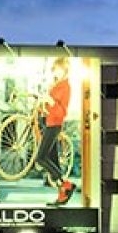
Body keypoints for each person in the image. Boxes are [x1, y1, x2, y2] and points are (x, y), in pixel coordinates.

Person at [38, 57, 76, 206]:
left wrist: (51, 101)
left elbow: (62, 112)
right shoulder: (56, 85)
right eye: (54, 70)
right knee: (53, 161)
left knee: (40, 158)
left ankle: (67, 184)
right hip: (49, 123)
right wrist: (44, 99)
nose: (55, 72)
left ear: (65, 70)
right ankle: (62, 194)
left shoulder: (66, 87)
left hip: (54, 125)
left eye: (58, 70)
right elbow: (49, 106)